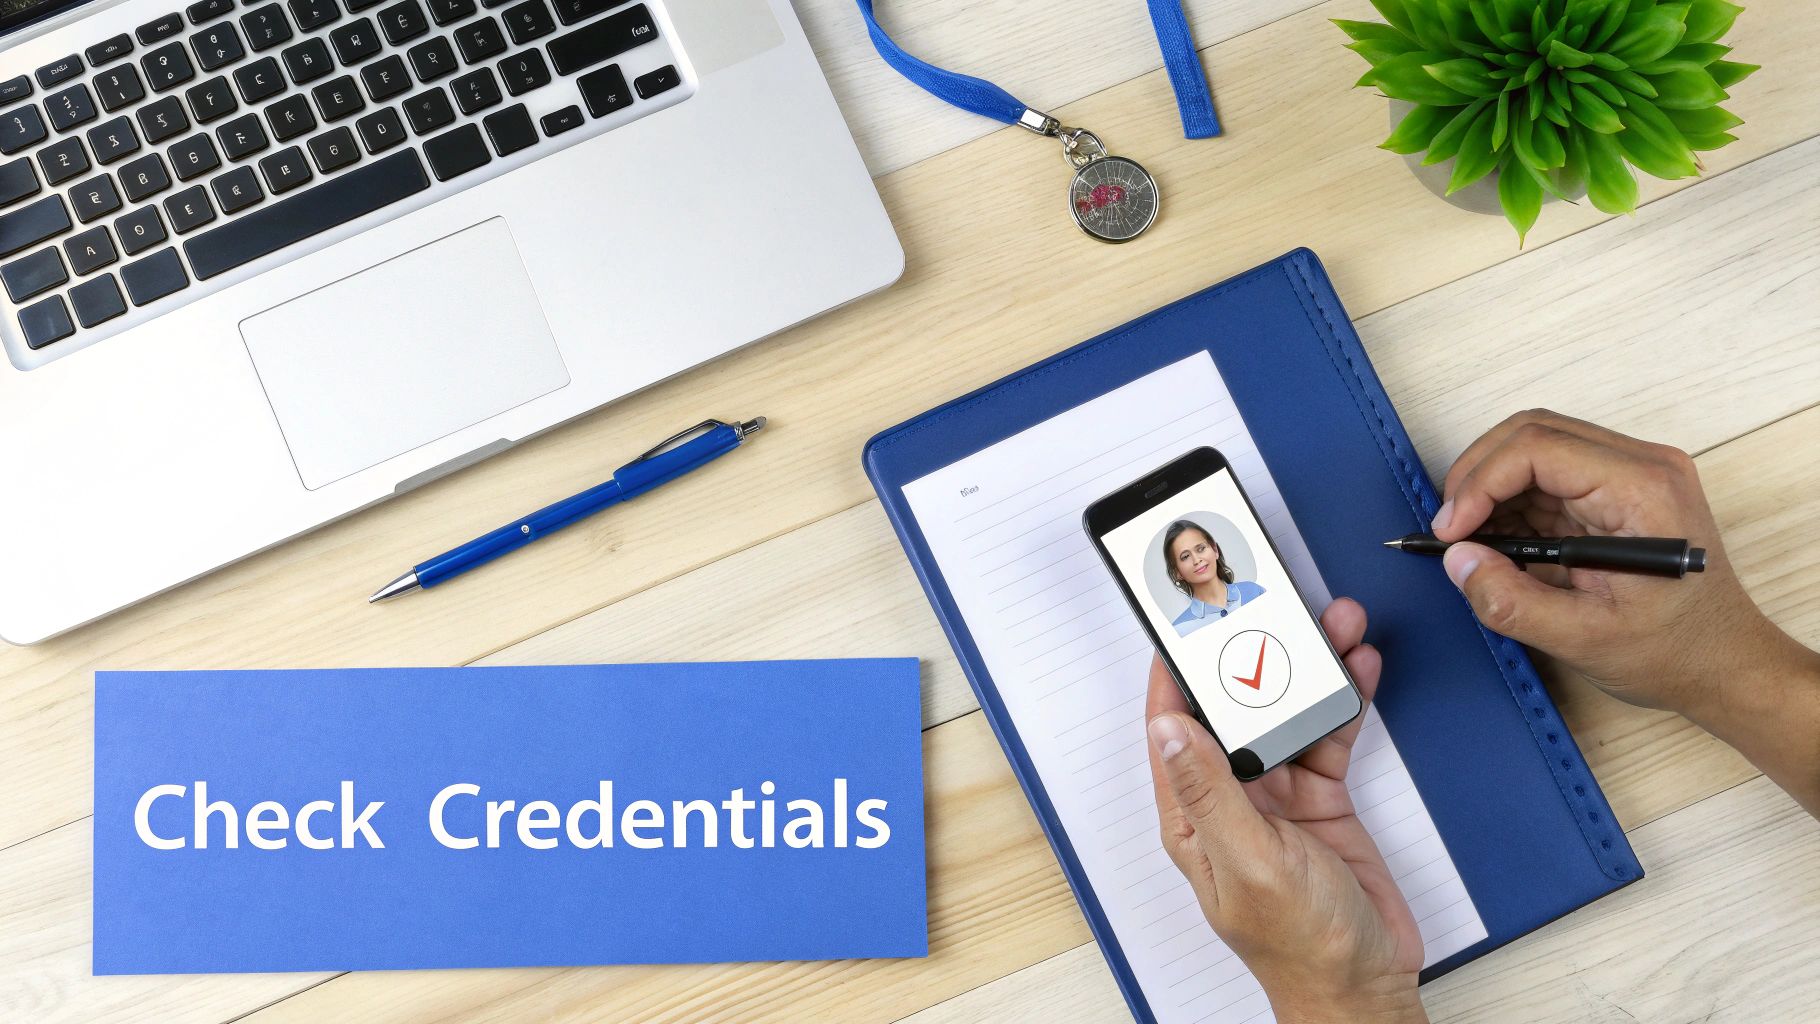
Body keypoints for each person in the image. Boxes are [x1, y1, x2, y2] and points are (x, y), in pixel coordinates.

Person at [1142, 411, 1820, 1022]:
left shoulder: (1254, 592)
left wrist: (1342, 998)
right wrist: (1736, 673)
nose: (1199, 557)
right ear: (1175, 574)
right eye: (1183, 557)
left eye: (1202, 545)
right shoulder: (1199, 620)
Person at [1164, 519, 1266, 637]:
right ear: (1177, 572)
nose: (1197, 560)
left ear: (1215, 550)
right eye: (1185, 556)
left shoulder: (1254, 591)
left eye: (1201, 549)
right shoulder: (1178, 630)